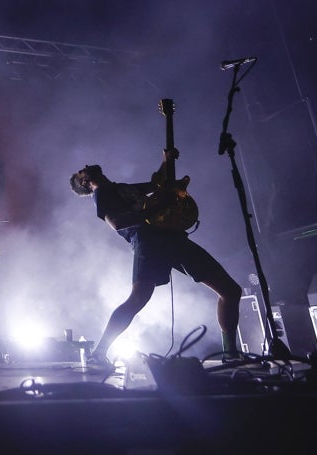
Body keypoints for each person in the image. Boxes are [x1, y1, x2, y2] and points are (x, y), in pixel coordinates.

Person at [70, 149, 242, 370]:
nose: (85, 164)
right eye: (80, 172)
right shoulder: (102, 194)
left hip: (171, 236)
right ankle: (99, 353)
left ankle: (230, 354)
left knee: (230, 290)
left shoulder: (120, 188)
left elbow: (156, 186)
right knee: (138, 299)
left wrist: (165, 161)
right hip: (148, 242)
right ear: (84, 182)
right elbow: (117, 223)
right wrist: (159, 207)